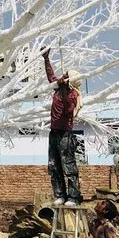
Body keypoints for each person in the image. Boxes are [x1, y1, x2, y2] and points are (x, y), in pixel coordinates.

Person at [42, 47, 83, 207]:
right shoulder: (59, 89)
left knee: (69, 166)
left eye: (66, 76)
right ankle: (59, 194)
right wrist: (46, 59)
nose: (63, 76)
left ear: (70, 81)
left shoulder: (72, 95)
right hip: (54, 131)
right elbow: (51, 77)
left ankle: (73, 196)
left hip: (66, 133)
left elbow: (67, 110)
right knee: (53, 165)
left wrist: (65, 89)